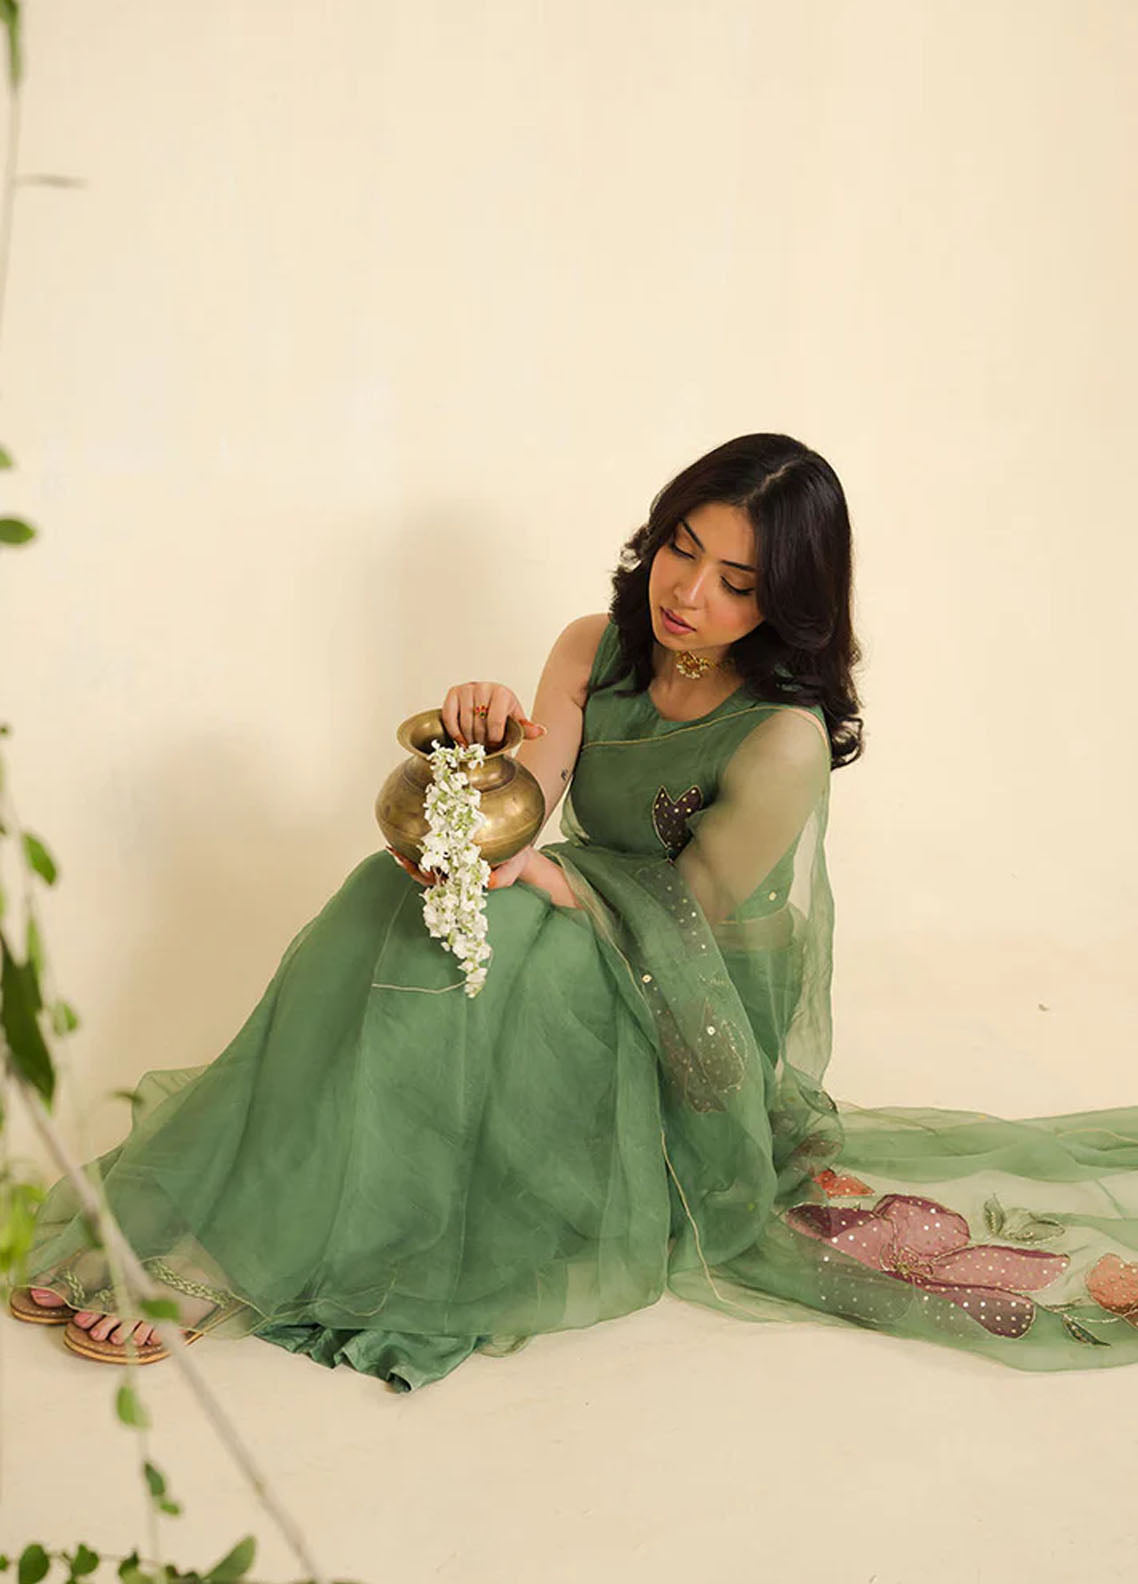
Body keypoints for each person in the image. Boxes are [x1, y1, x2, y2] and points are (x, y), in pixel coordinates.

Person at [12, 434, 1138, 1391]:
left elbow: (696, 913)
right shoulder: (591, 648)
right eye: (682, 549)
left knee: (494, 946)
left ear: (785, 602)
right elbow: (535, 798)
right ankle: (210, 1213)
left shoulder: (783, 736)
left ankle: (246, 1255)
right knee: (382, 894)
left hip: (690, 1001)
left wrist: (551, 884)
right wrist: (486, 741)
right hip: (582, 915)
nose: (687, 593)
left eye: (736, 582)